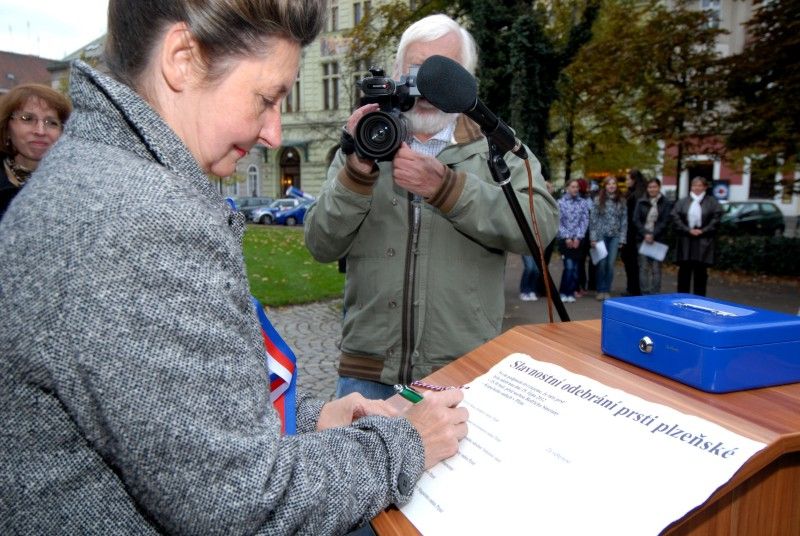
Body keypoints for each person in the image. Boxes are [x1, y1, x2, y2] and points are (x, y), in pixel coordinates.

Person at [0, 2, 470, 534]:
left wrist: (310, 418)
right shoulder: (141, 217)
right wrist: (408, 442)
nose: (273, 132)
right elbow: (241, 505)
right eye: (266, 98)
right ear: (182, 59)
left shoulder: (98, 176)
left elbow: (175, 420)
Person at [305, 14, 559, 400]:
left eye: (442, 73)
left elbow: (541, 227)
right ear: (395, 73)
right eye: (416, 70)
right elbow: (321, 244)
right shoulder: (366, 144)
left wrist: (448, 189)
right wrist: (356, 172)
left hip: (462, 369)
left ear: (465, 80)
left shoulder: (495, 148)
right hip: (367, 372)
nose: (425, 84)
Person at [0, 83, 71, 220]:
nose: (40, 131)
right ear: (7, 128)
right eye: (27, 119)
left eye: (51, 122)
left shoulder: (76, 185)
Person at [671, 176, 723, 296]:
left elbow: (716, 218)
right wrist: (687, 229)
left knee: (701, 273)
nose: (697, 188)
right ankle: (682, 298)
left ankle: (699, 299)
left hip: (703, 241)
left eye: (700, 185)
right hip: (686, 240)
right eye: (695, 185)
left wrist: (703, 230)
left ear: (705, 187)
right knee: (684, 272)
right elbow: (675, 216)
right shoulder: (683, 201)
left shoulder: (712, 202)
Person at [589, 175, 627, 300]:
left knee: (610, 264)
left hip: (615, 237)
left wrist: (622, 238)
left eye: (614, 184)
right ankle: (600, 289)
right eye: (609, 184)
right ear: (605, 186)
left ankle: (607, 289)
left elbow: (624, 221)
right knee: (602, 263)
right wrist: (593, 237)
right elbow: (593, 220)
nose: (611, 186)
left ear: (616, 186)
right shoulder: (598, 200)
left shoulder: (621, 201)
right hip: (600, 236)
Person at [633, 178, 671, 295]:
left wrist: (653, 235)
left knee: (656, 269)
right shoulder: (641, 202)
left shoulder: (665, 202)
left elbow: (665, 221)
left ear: (659, 187)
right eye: (650, 187)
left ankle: (655, 295)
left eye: (654, 187)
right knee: (643, 268)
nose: (652, 189)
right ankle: (644, 294)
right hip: (643, 239)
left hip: (658, 240)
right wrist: (645, 234)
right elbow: (636, 220)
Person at [557, 178, 590, 303]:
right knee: (569, 266)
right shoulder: (560, 202)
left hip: (577, 240)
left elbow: (584, 221)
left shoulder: (583, 202)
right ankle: (563, 292)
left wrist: (578, 237)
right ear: (567, 188)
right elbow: (558, 222)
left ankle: (569, 292)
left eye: (577, 187)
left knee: (575, 268)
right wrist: (567, 237)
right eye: (573, 187)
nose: (575, 189)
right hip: (565, 240)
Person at [621, 169, 647, 296]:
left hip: (632, 234)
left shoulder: (636, 195)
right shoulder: (634, 193)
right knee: (631, 263)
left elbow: (635, 217)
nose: (626, 181)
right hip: (631, 233)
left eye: (628, 179)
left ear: (634, 180)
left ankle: (633, 289)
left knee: (632, 263)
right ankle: (631, 288)